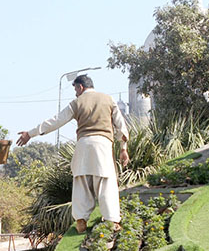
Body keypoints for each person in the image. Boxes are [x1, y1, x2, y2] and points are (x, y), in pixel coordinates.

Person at [17, 75, 129, 233]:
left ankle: (81, 220)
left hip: (83, 145)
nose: (75, 93)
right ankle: (111, 220)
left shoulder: (77, 103)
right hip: (103, 144)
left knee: (81, 182)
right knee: (106, 183)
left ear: (81, 87)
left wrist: (31, 133)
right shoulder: (109, 99)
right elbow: (121, 126)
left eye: (76, 89)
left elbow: (56, 121)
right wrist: (123, 148)